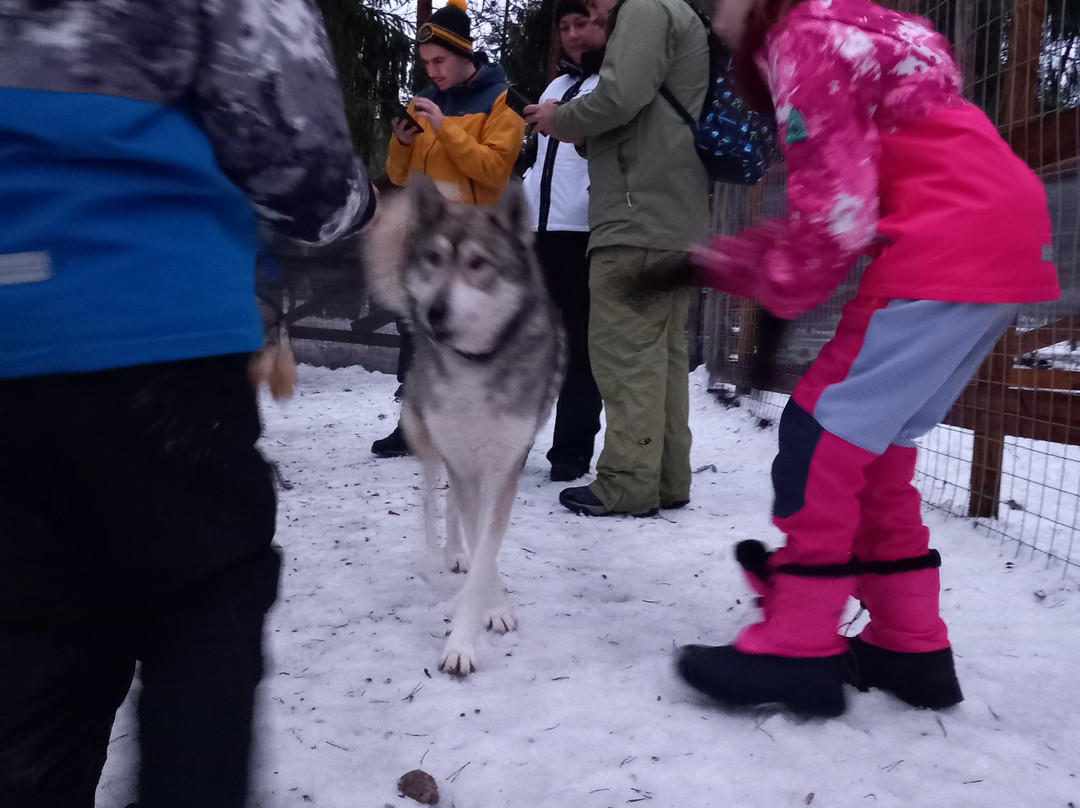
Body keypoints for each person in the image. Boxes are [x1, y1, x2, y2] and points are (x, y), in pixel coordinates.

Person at [0, 2, 376, 806]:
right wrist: (360, 202)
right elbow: (307, 171)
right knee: (202, 605)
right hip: (158, 339)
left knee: (28, 658)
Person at [673, 0, 1060, 717]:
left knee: (817, 436)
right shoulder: (855, 41)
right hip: (1006, 238)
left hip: (944, 247)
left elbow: (836, 219)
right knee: (874, 448)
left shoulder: (801, 41)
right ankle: (910, 645)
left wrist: (764, 279)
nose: (711, 17)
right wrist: (739, 262)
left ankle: (797, 646)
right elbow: (844, 202)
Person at [525, 0, 711, 517]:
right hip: (667, 216)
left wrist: (559, 118)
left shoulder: (645, 8)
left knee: (625, 356)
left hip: (635, 215)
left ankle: (627, 481)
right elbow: (642, 114)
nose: (596, 14)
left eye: (592, 8)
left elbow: (618, 97)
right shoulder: (675, 11)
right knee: (662, 359)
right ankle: (666, 476)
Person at [371, 0, 527, 458]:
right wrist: (402, 143)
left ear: (464, 54)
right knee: (418, 337)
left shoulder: (503, 102)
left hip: (475, 248)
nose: (433, 70)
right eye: (426, 63)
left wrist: (444, 129)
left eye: (439, 60)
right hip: (426, 243)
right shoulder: (424, 99)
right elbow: (400, 176)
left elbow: (494, 171)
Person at [521, 0, 608, 482]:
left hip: (583, 232)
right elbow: (542, 159)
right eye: (565, 26)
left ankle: (571, 451)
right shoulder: (556, 86)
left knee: (580, 347)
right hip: (538, 231)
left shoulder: (611, 84)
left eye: (583, 23)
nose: (573, 34)